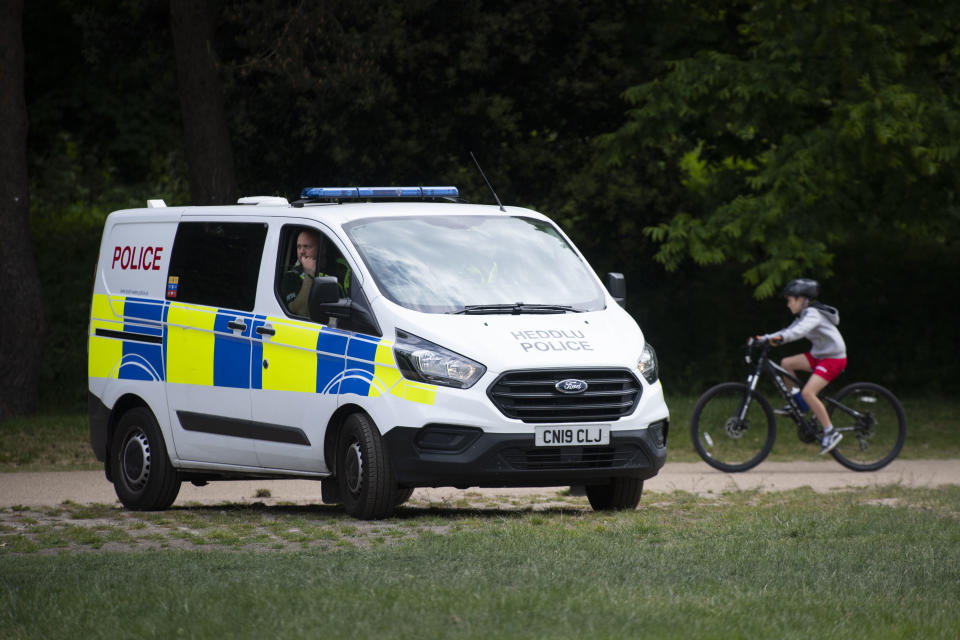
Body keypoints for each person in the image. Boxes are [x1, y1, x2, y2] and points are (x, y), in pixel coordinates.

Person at [757, 278, 847, 454]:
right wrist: (764, 338)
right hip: (819, 355)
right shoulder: (804, 314)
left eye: (790, 300)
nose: (788, 304)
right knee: (786, 364)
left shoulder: (813, 314)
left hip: (833, 358)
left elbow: (798, 332)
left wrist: (780, 339)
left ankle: (831, 431)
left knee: (809, 392)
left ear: (802, 300)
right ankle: (799, 405)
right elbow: (787, 331)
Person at [280, 229, 350, 319]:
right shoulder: (291, 277)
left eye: (307, 246)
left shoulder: (342, 266)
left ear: (322, 248)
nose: (302, 251)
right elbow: (300, 312)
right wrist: (309, 274)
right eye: (299, 247)